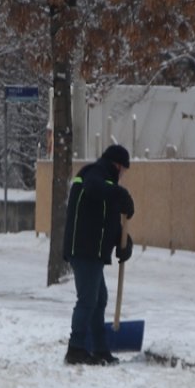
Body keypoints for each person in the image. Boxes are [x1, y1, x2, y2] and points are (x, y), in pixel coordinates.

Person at [62, 144, 135, 366]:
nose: (123, 175)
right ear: (117, 165)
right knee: (88, 299)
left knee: (99, 299)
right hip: (83, 248)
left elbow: (109, 222)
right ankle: (76, 349)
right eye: (123, 170)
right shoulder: (93, 174)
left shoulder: (107, 186)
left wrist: (124, 244)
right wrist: (121, 194)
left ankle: (99, 349)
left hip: (92, 251)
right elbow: (95, 189)